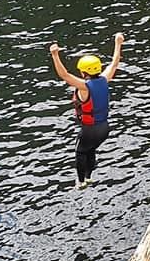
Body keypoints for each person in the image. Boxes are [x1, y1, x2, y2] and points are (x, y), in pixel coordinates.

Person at [51, 33, 123, 188]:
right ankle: (89, 177)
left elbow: (64, 75)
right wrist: (118, 42)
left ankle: (81, 181)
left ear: (84, 72)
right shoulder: (105, 78)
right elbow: (115, 63)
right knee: (90, 149)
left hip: (90, 129)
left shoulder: (84, 87)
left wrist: (55, 55)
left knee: (80, 151)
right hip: (104, 128)